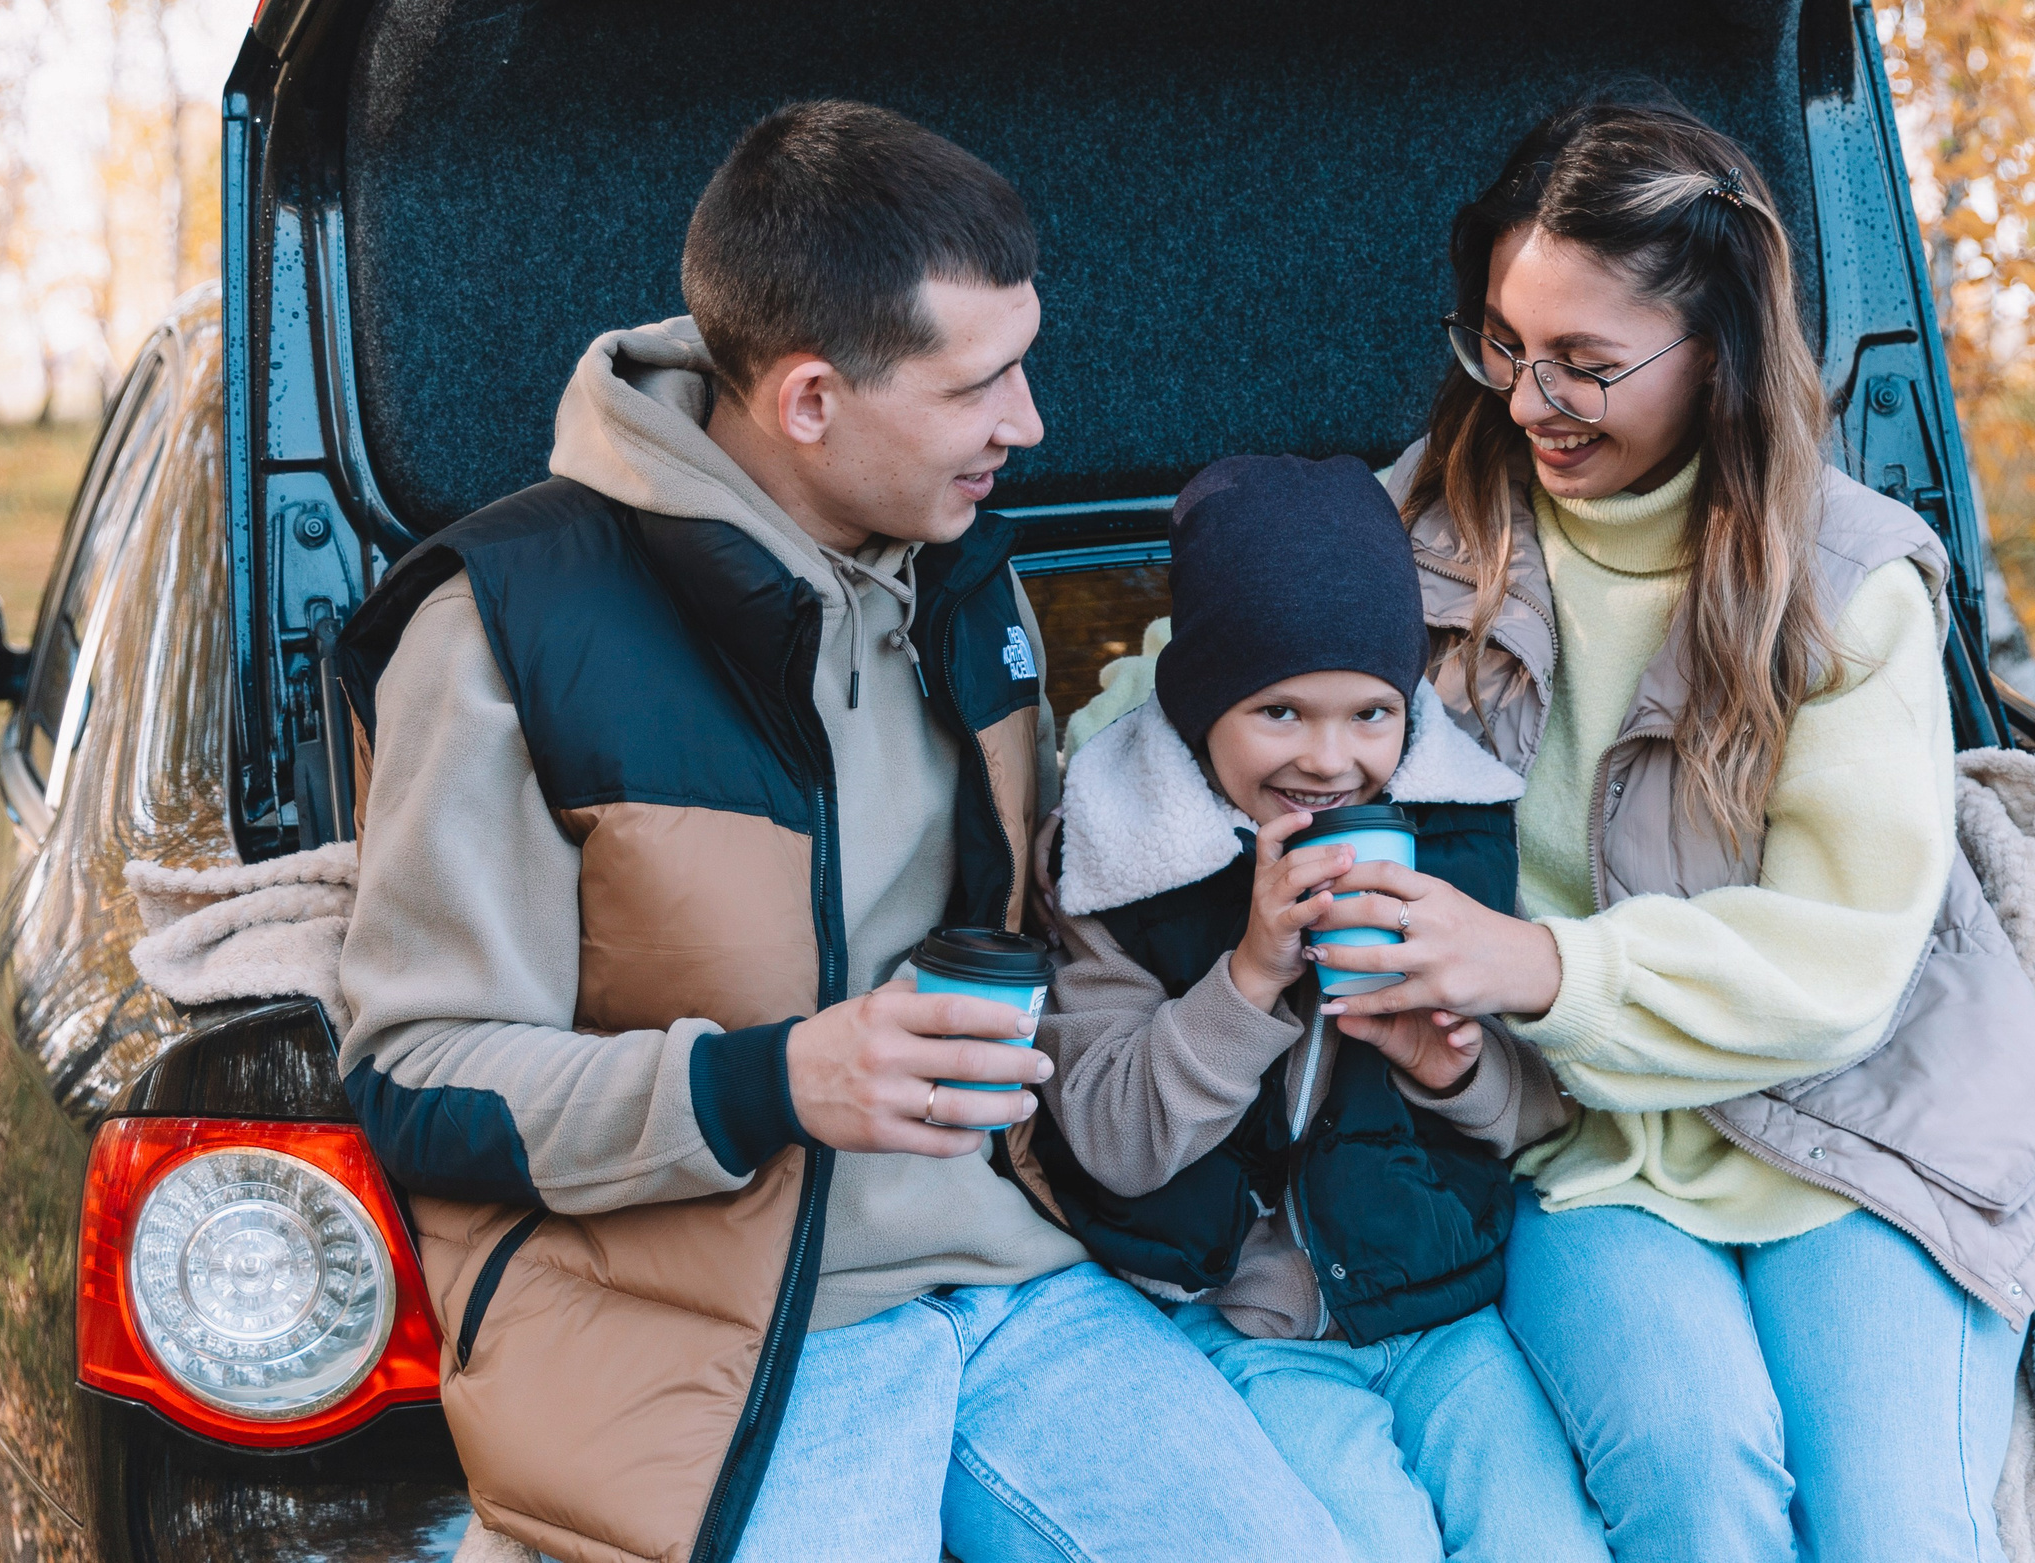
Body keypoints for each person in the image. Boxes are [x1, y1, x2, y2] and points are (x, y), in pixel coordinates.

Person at [333, 102, 1348, 1563]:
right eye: (980, 383)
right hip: (719, 1325)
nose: (1031, 422)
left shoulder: (966, 573)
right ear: (810, 400)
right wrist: (771, 1079)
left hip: (1013, 1269)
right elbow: (418, 1078)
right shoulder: (506, 623)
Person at [1300, 91, 2035, 1562]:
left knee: (1897, 1527)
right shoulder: (1399, 535)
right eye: (1504, 344)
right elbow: (1211, 692)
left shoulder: (1850, 580)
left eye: (1586, 366)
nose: (1528, 400)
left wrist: (1540, 965)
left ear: (1716, 349)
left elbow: (1844, 960)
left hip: (1862, 1120)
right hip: (1576, 1133)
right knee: (1694, 1478)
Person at [1014, 454, 1607, 1563]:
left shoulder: (1458, 836)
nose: (1329, 760)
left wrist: (1457, 1072)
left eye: (1369, 713)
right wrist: (1247, 974)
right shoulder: (1118, 860)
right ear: (1198, 705)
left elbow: (1546, 1117)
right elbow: (1112, 1143)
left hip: (1436, 1302)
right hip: (1246, 1317)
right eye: (1278, 711)